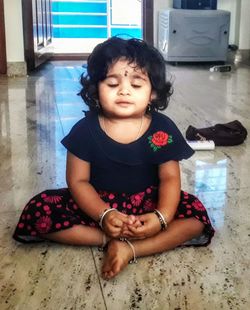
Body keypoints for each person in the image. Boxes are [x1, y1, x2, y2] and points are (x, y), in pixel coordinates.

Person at [13, 37, 215, 280]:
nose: (124, 90)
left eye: (137, 85)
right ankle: (109, 239)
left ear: (153, 93)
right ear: (96, 88)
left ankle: (130, 248)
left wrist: (161, 218)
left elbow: (170, 178)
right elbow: (78, 182)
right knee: (38, 210)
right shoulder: (84, 130)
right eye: (112, 83)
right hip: (95, 206)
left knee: (196, 218)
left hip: (148, 205)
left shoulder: (162, 129)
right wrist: (104, 215)